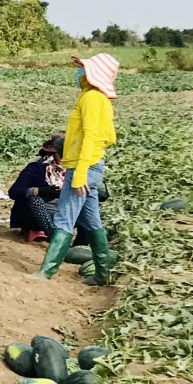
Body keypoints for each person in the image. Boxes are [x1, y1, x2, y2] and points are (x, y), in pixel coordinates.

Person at [33, 54, 120, 283]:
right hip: (91, 165)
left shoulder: (92, 99)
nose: (79, 72)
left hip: (84, 167)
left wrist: (80, 172)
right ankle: (102, 274)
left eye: (83, 68)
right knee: (92, 221)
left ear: (94, 74)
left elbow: (92, 135)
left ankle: (46, 272)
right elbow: (110, 137)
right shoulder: (97, 98)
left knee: (64, 219)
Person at [9, 136, 65, 243]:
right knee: (35, 200)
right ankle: (55, 237)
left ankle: (81, 244)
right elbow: (14, 191)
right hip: (36, 216)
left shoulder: (74, 171)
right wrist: (40, 191)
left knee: (89, 203)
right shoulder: (36, 167)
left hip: (62, 215)